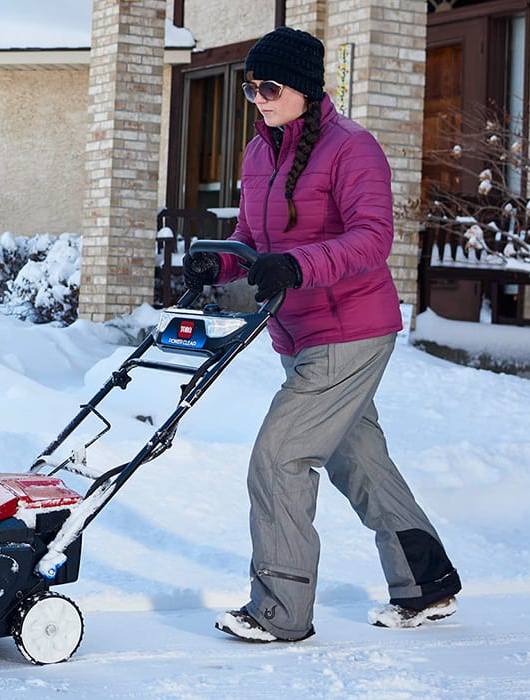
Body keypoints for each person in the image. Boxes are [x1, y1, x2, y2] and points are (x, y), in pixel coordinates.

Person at [183, 26, 461, 643]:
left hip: (350, 328)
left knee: (280, 457)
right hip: (299, 331)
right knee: (358, 459)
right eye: (250, 87)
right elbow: (257, 245)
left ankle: (280, 612)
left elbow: (372, 239)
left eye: (270, 86)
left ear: (306, 88)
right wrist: (221, 261)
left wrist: (300, 265)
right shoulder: (261, 152)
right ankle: (428, 582)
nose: (258, 97)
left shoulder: (352, 148)